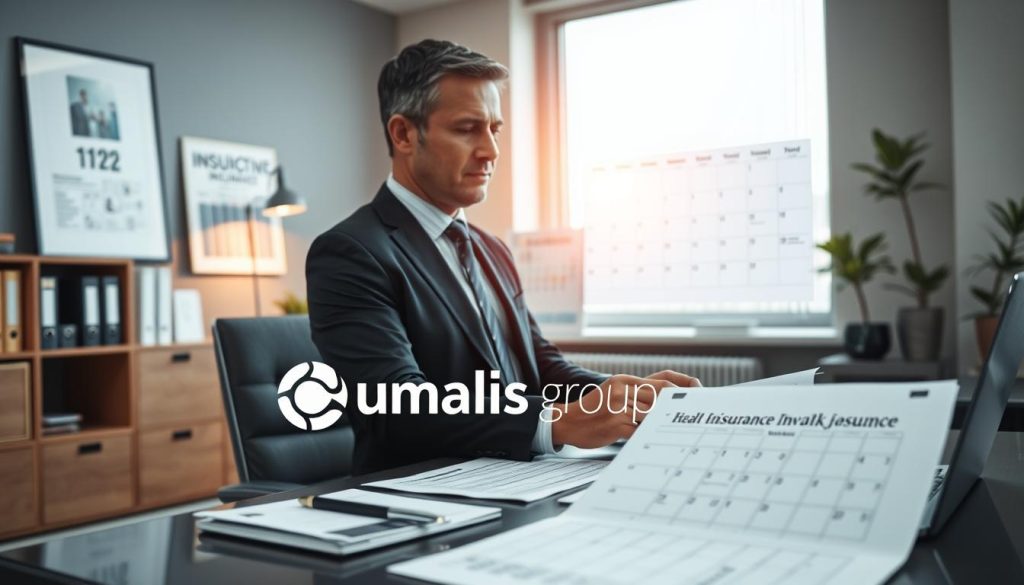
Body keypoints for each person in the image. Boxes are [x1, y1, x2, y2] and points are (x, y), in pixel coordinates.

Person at [307, 39, 700, 474]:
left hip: (516, 476)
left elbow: (541, 365)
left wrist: (623, 397)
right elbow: (398, 407)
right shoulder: (350, 252)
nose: (491, 151)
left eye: (494, 128)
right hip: (424, 494)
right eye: (467, 128)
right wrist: (559, 423)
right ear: (403, 134)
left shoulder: (492, 249)